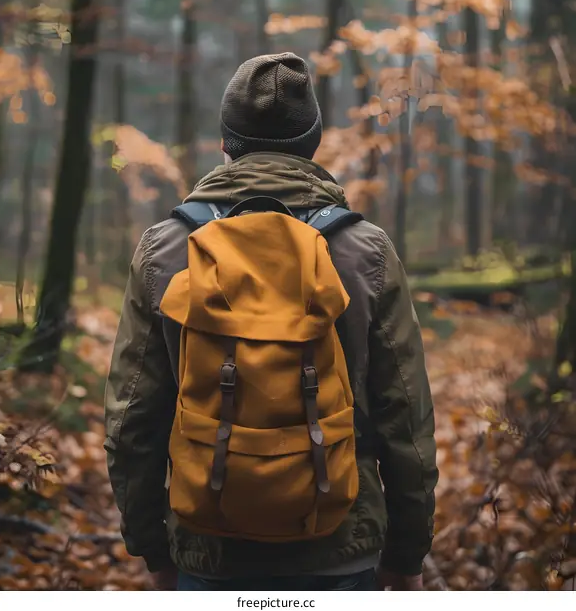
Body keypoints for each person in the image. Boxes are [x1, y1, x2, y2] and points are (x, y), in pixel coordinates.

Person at [104, 53, 438, 591]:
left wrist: (152, 548)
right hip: (340, 549)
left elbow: (131, 422)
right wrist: (407, 555)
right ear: (313, 145)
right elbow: (407, 422)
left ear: (225, 144)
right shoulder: (364, 251)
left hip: (206, 550)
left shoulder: (166, 249)